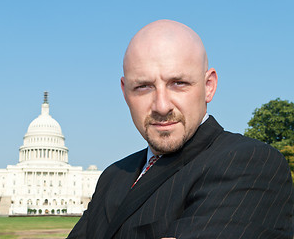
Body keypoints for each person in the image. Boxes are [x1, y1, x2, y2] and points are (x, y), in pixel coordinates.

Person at [67, 20, 293, 238]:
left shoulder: (251, 163)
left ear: (208, 86)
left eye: (178, 83)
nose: (161, 106)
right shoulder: (113, 175)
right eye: (143, 87)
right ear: (125, 93)